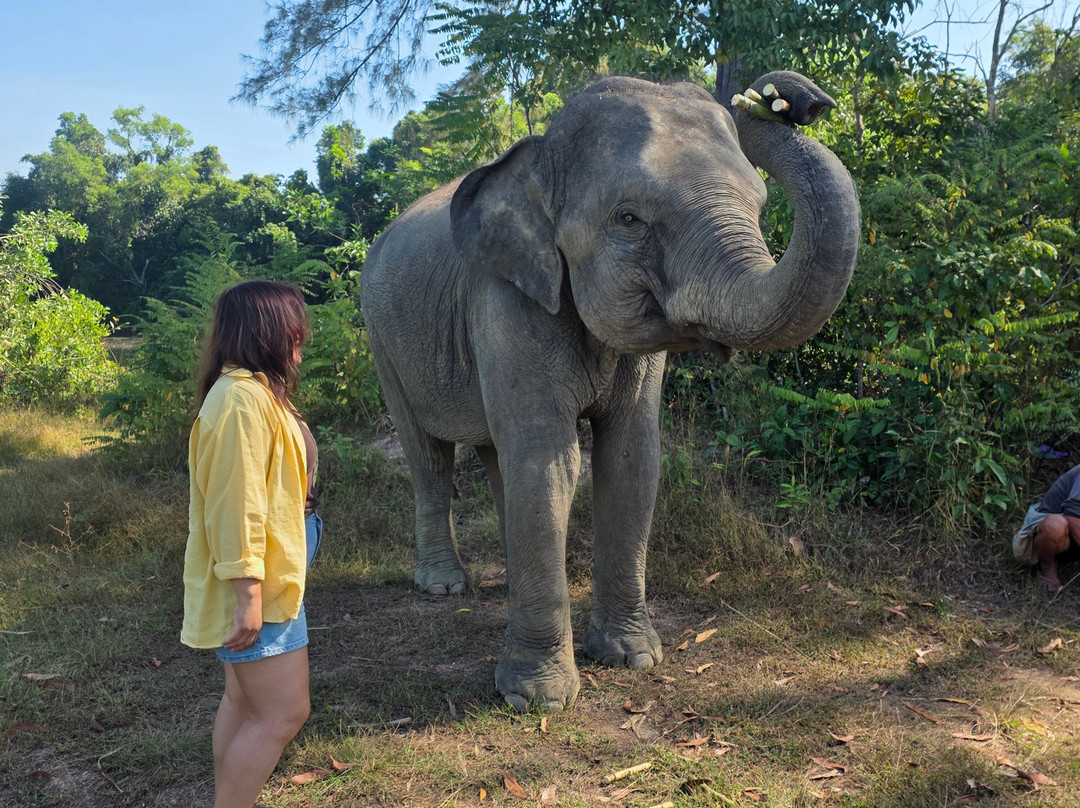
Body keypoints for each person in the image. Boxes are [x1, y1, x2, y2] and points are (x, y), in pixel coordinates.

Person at [181, 280, 321, 808]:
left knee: (243, 702)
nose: (300, 342)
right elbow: (234, 502)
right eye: (294, 331)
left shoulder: (251, 390)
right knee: (282, 712)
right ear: (268, 331)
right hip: (259, 578)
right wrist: (249, 592)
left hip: (270, 572)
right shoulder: (240, 398)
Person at [1012, 463, 1080, 592]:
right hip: (1049, 536)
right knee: (1055, 525)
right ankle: (1047, 567)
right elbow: (1073, 517)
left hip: (1073, 536)